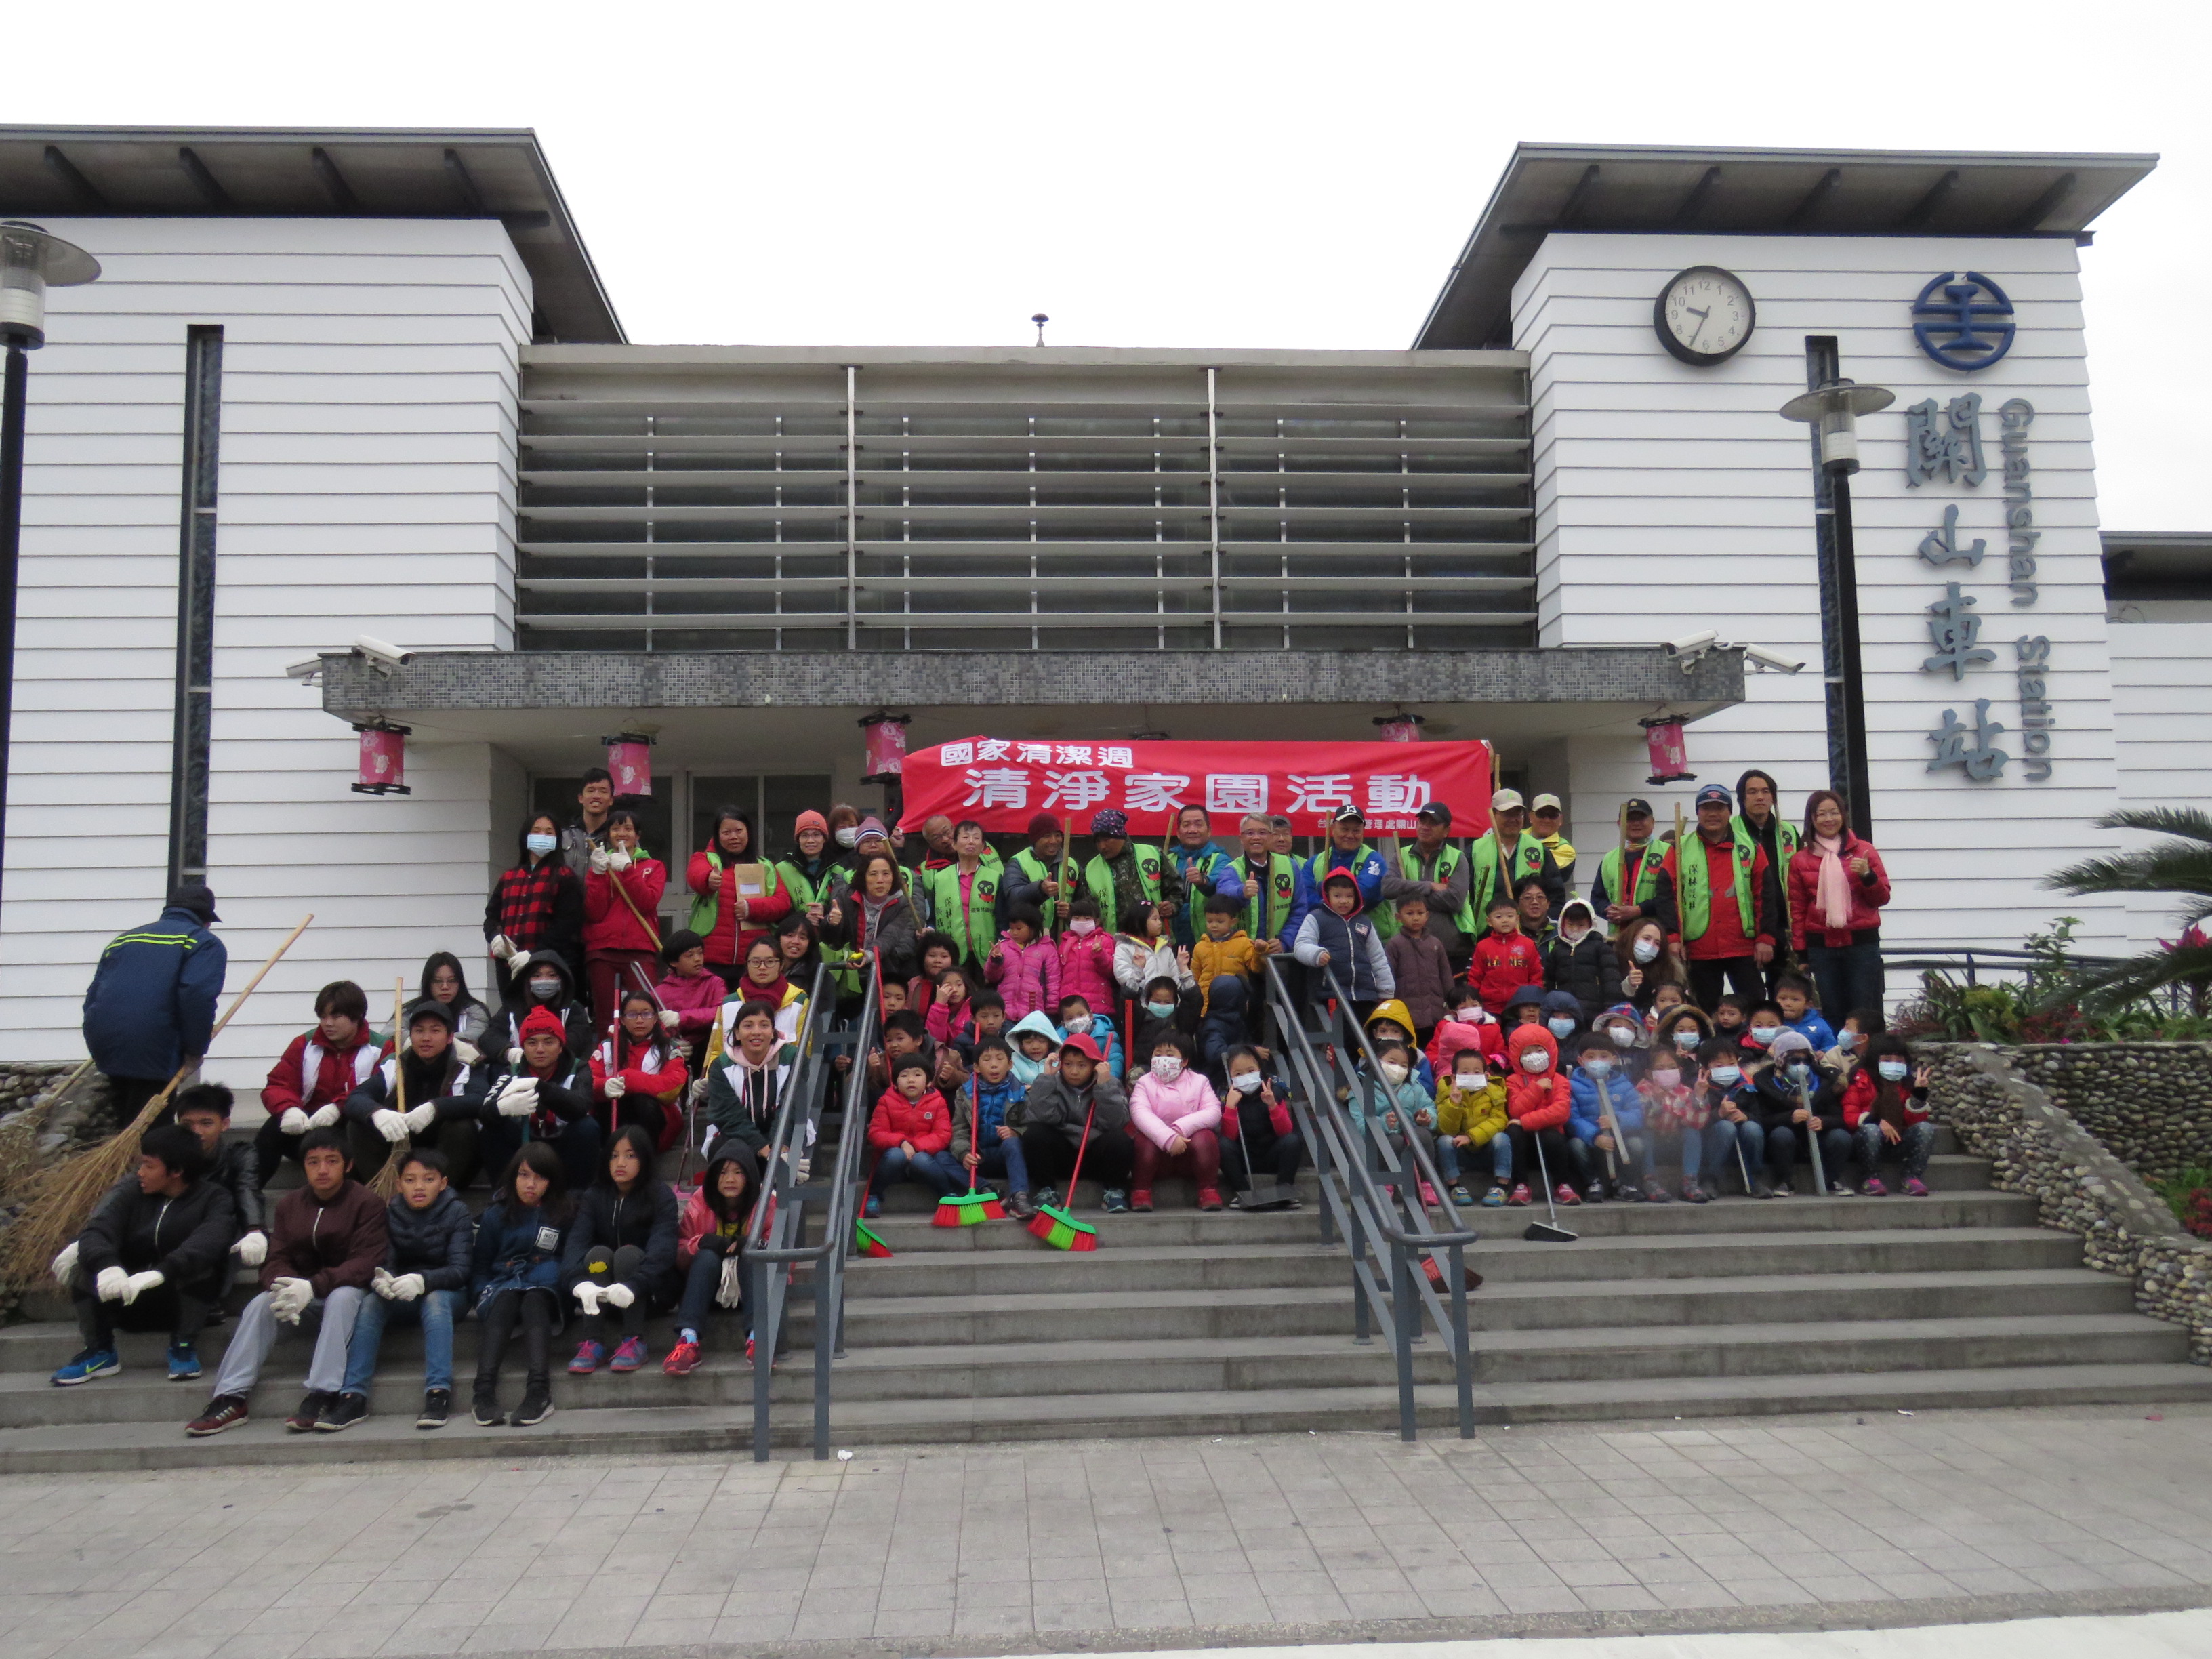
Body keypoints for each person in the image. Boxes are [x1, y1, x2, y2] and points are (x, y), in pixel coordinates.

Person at [184, 1128, 386, 1437]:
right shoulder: (290, 1205)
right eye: (313, 1162)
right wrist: (284, 1285)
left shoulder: (366, 1203)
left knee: (343, 1296)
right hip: (302, 1298)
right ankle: (231, 1396)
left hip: (349, 1298)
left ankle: (323, 1392)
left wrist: (313, 1286)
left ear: (348, 1165)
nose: (322, 1170)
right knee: (260, 1303)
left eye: (332, 1161)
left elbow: (365, 1262)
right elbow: (276, 1256)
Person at [51, 1124, 235, 1388]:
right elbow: (98, 1230)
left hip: (179, 1303)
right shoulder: (131, 1193)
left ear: (176, 1171)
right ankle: (100, 1351)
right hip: (127, 1297)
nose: (140, 1173)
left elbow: (209, 1241)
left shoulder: (215, 1198)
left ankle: (183, 1346)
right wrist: (108, 1267)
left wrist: (162, 1272)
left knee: (202, 1265)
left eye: (149, 1166)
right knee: (82, 1265)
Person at [321, 1147, 474, 1431]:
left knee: (435, 1301)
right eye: (410, 1180)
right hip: (403, 1293)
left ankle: (438, 1392)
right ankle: (353, 1395)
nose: (419, 1187)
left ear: (443, 1183)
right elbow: (385, 1261)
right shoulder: (390, 1212)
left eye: (428, 1179)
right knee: (371, 1303)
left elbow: (461, 1269)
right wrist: (383, 1279)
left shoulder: (458, 1212)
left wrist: (423, 1280)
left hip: (449, 1294)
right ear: (399, 1184)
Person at [81, 882, 228, 1119]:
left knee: (124, 1117)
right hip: (155, 1043)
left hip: (104, 1039)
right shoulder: (201, 942)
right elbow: (197, 997)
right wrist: (195, 1049)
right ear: (206, 919)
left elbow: (93, 996)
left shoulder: (124, 940)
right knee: (152, 1124)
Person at [564, 1124, 680, 1376]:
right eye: (614, 1155)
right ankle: (592, 1342)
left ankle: (634, 1340)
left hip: (648, 1293)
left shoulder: (661, 1196)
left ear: (644, 1159)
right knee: (597, 1255)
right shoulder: (594, 1196)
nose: (620, 1163)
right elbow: (576, 1243)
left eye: (630, 1156)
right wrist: (578, 1282)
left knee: (627, 1255)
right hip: (603, 1294)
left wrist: (634, 1285)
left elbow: (663, 1250)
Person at [469, 1139, 571, 1427]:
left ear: (551, 1181)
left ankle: (539, 1391)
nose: (530, 1184)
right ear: (513, 1177)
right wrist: (480, 1294)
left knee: (533, 1299)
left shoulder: (564, 1212)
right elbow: (480, 1266)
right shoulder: (495, 1215)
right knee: (507, 1299)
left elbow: (570, 1258)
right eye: (524, 1175)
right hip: (503, 1286)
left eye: (539, 1177)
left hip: (547, 1289)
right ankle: (483, 1392)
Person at [342, 998, 488, 1189]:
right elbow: (356, 1098)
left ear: (450, 1037)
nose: (426, 1038)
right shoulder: (396, 1067)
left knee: (462, 1127)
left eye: (435, 1031)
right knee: (357, 1126)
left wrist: (435, 1108)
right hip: (401, 1149)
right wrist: (378, 1114)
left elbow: (479, 1100)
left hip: (446, 1155)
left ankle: (439, 1195)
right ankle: (385, 1193)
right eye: (419, 1031)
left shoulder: (466, 1064)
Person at [1657, 782, 1776, 1011]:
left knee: (1755, 1008)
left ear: (1730, 812)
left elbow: (1765, 895)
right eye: (1706, 808)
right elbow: (1666, 896)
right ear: (1698, 812)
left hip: (1743, 946)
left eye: (1719, 808)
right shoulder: (1679, 849)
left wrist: (1766, 937)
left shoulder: (1750, 847)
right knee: (1705, 1011)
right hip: (1699, 948)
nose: (1713, 814)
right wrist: (1672, 937)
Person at [255, 980, 379, 1193]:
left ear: (357, 1016)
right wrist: (288, 1109)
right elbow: (278, 1084)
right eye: (323, 1016)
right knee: (272, 1129)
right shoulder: (305, 1044)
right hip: (308, 1124)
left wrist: (338, 1108)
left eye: (336, 1016)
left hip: (351, 1128)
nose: (327, 1023)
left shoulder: (380, 1048)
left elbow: (377, 1091)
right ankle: (247, 1194)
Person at [1789, 789, 1891, 1023]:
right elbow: (1798, 909)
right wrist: (1802, 953)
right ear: (1812, 819)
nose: (1829, 819)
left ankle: (1866, 1048)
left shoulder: (1864, 851)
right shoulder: (1800, 859)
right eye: (1821, 814)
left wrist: (1867, 875)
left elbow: (1882, 898)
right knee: (1833, 1011)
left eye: (1834, 813)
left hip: (1861, 946)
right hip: (1823, 948)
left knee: (1863, 1012)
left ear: (1843, 816)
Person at [481, 1003, 605, 1189]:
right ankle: (504, 1194)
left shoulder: (578, 1068)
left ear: (561, 1046)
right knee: (491, 1130)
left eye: (548, 1042)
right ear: (523, 1047)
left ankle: (578, 1195)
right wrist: (503, 1108)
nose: (540, 1049)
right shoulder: (512, 1071)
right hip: (525, 1143)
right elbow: (485, 1112)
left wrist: (540, 1088)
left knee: (587, 1127)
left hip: (563, 1146)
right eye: (532, 1043)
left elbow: (581, 1106)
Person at [1010, 1031, 1134, 1212]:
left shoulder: (1108, 1082)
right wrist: (1047, 1079)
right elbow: (1039, 1117)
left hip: (1095, 1155)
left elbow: (1115, 1123)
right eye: (1068, 1064)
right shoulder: (1051, 1082)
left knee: (1119, 1139)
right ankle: (1047, 1191)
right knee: (1035, 1133)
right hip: (1063, 1155)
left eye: (1081, 1065)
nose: (1074, 1071)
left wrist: (1104, 1087)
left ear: (1094, 1065)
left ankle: (1114, 1191)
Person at [666, 1151, 758, 1376]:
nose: (730, 1179)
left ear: (749, 1177)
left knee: (752, 1254)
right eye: (723, 1173)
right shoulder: (700, 1200)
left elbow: (784, 1256)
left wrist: (754, 1244)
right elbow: (679, 1253)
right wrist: (702, 1242)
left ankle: (758, 1338)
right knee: (707, 1256)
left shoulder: (765, 1201)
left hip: (750, 1289)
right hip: (707, 1290)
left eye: (738, 1172)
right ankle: (688, 1340)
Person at [688, 807, 794, 991]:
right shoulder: (705, 859)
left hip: (754, 960)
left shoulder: (765, 865)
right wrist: (708, 879)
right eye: (726, 832)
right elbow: (695, 876)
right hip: (711, 959)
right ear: (717, 835)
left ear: (748, 832)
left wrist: (752, 908)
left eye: (739, 831)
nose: (733, 837)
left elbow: (782, 902)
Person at [581, 808, 668, 1029]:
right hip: (602, 950)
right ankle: (607, 1052)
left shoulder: (654, 866)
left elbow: (646, 902)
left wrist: (628, 869)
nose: (622, 833)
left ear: (637, 835)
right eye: (616, 828)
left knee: (645, 1013)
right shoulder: (600, 866)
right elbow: (594, 912)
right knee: (606, 1017)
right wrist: (598, 874)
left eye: (628, 828)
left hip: (641, 949)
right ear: (608, 834)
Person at [486, 813, 586, 993]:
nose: (542, 836)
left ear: (557, 839)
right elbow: (491, 917)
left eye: (549, 832)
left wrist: (533, 954)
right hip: (508, 965)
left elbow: (565, 926)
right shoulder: (508, 877)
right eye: (536, 831)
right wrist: (495, 937)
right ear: (526, 836)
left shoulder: (565, 877)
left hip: (548, 968)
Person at [1126, 1031, 1224, 1211]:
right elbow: (1140, 1113)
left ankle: (1208, 1191)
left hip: (1189, 1153)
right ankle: (1141, 1191)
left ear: (1184, 1061)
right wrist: (1169, 1139)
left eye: (1170, 1055)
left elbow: (1213, 1112)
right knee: (1143, 1140)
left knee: (1206, 1137)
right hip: (1157, 1156)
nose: (1162, 1059)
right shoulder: (1144, 1083)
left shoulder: (1200, 1082)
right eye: (1158, 1054)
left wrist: (1180, 1129)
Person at [1750, 1028, 1850, 1197]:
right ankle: (1785, 1181)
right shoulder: (1766, 1082)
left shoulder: (1823, 1081)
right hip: (1786, 1139)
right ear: (1782, 1060)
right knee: (1781, 1134)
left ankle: (1832, 1179)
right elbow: (1762, 1119)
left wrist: (1823, 1121)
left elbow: (1840, 1117)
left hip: (1818, 1136)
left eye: (1806, 1060)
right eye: (1795, 1060)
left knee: (1841, 1137)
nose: (1801, 1065)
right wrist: (1789, 1118)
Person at [702, 999, 796, 1179]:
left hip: (784, 1133)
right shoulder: (721, 1066)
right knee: (723, 1151)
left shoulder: (793, 1059)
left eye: (764, 1025)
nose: (756, 1032)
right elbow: (727, 1114)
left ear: (773, 1032)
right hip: (738, 1135)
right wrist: (762, 1148)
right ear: (737, 1033)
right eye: (748, 1025)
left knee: (787, 1158)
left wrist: (778, 1145)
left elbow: (791, 1106)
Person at [1380, 802, 1475, 968]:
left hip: (1452, 949)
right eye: (1422, 822)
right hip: (1409, 946)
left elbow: (1454, 900)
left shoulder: (1457, 858)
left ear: (1446, 831)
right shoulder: (1402, 855)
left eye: (1433, 823)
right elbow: (1388, 888)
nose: (1425, 827)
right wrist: (1428, 886)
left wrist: (1409, 900)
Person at [592, 989, 690, 1149]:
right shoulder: (608, 1047)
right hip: (616, 1113)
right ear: (622, 1020)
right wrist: (604, 1086)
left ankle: (643, 1155)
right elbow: (588, 1082)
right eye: (632, 1015)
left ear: (656, 1018)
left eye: (646, 1014)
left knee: (642, 1103)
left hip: (656, 1118)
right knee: (605, 1106)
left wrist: (628, 1079)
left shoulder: (669, 1049)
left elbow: (673, 1087)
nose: (639, 1020)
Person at [1290, 867, 1393, 1019]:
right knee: (1338, 1032)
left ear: (1356, 896)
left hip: (1365, 995)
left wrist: (1386, 990)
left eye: (1349, 896)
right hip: (1331, 993)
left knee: (1362, 1032)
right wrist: (1316, 954)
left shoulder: (1365, 922)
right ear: (1327, 896)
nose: (1344, 901)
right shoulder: (1316, 918)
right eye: (1337, 896)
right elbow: (1301, 945)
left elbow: (1377, 958)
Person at [1734, 770, 1803, 996]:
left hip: (1784, 925)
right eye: (1752, 792)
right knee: (1751, 996)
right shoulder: (1731, 832)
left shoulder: (1788, 832)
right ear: (1742, 799)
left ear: (1773, 797)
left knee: (1784, 994)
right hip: (1744, 926)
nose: (1760, 797)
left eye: (1765, 791)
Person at [951, 1037, 1033, 1216]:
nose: (994, 1065)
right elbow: (959, 1130)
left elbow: (1031, 1127)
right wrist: (965, 1153)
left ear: (1010, 1064)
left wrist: (1015, 1132)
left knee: (1012, 1143)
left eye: (1000, 1059)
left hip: (1006, 1157)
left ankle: (1019, 1197)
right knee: (942, 1158)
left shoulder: (1021, 1093)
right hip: (977, 1157)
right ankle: (988, 1190)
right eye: (987, 1060)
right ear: (976, 1067)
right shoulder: (965, 1094)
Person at [1844, 1036, 1934, 1197]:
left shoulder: (1907, 1083)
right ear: (1875, 1059)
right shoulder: (1860, 1080)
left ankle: (1912, 1177)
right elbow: (1850, 1117)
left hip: (1898, 1139)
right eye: (1887, 1059)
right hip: (1866, 1141)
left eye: (1899, 1060)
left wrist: (1919, 1094)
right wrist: (1877, 1121)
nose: (1894, 1064)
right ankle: (1869, 1178)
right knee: (1871, 1129)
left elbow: (1914, 1121)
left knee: (1926, 1128)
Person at [1565, 1032, 1651, 1202]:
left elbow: (1637, 1114)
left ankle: (1626, 1184)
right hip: (1591, 1141)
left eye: (1604, 1056)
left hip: (1619, 1140)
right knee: (1575, 1145)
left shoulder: (1624, 1084)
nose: (1598, 1061)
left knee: (1636, 1144)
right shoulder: (1572, 1086)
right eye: (1591, 1057)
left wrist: (1617, 1120)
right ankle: (1592, 1183)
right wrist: (1595, 1136)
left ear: (1613, 1060)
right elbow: (1572, 1119)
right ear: (1581, 1061)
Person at [821, 850, 923, 993]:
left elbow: (890, 937)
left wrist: (869, 955)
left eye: (886, 874)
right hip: (846, 971)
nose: (880, 880)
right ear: (864, 877)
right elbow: (830, 940)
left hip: (883, 970)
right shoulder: (846, 896)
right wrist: (832, 923)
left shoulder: (902, 904)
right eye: (873, 874)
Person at [867, 1054, 962, 1206]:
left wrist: (916, 1147)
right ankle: (874, 1195)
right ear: (895, 1084)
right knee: (895, 1155)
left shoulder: (938, 1102)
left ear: (928, 1082)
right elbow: (876, 1133)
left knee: (921, 1160)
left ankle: (947, 1193)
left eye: (917, 1075)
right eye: (904, 1076)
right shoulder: (886, 1101)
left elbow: (943, 1134)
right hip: (895, 1163)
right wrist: (902, 1143)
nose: (911, 1080)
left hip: (923, 1161)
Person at [1218, 1044, 1304, 1208]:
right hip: (1243, 1158)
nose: (1246, 1077)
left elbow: (1285, 1131)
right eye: (1238, 1074)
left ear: (1259, 1069)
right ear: (1230, 1076)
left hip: (1271, 1155)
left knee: (1293, 1141)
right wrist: (1230, 1108)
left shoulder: (1274, 1091)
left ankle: (1284, 1192)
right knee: (1223, 1145)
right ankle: (1242, 1193)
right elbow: (1228, 1136)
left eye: (1251, 1071)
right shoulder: (1226, 1095)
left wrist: (1272, 1106)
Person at [1500, 1023, 1573, 1209]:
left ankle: (1562, 1185)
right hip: (1525, 1143)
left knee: (1553, 1136)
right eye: (1527, 1052)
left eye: (1539, 1050)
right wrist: (1537, 1088)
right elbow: (1515, 1110)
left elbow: (1561, 1111)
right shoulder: (1513, 1080)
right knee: (1513, 1131)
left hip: (1550, 1140)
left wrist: (1526, 1121)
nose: (1534, 1056)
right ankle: (1521, 1185)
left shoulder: (1559, 1080)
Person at [483, 951, 595, 1069]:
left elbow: (577, 1042)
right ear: (527, 979)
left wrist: (539, 1056)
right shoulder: (513, 1007)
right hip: (517, 1070)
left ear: (562, 979)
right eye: (537, 976)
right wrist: (509, 1053)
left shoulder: (572, 1008)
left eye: (552, 975)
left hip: (562, 1071)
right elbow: (489, 1037)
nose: (544, 980)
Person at [1639, 1044, 1720, 1204]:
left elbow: (1696, 1123)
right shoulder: (1644, 1089)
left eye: (1672, 1068)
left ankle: (1690, 1182)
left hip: (1676, 1144)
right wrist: (1656, 1102)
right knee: (1644, 1133)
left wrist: (1698, 1097)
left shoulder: (1686, 1092)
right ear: (1650, 1073)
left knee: (1692, 1132)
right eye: (1660, 1068)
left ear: (1680, 1071)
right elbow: (1646, 1122)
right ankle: (1649, 1181)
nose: (1667, 1072)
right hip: (1654, 1143)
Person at [1078, 808, 1179, 935]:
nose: (1102, 846)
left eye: (1106, 840)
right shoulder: (1091, 869)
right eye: (1097, 841)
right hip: (1112, 941)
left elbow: (1176, 891)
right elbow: (1087, 909)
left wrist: (1171, 906)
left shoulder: (1152, 855)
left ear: (1120, 836)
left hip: (1155, 939)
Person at [919, 819, 1004, 969]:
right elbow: (933, 917)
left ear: (983, 846)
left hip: (987, 953)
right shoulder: (939, 878)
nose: (971, 842)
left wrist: (1001, 945)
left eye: (976, 838)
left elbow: (1002, 919)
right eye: (965, 837)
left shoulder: (995, 877)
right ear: (955, 844)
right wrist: (929, 930)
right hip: (950, 954)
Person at [1434, 1042, 1510, 1207]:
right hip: (1461, 1152)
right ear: (1454, 1077)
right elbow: (1445, 1129)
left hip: (1487, 1150)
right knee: (1444, 1141)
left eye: (1477, 1072)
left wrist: (1471, 1137)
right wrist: (1454, 1104)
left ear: (1486, 1075)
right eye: (1465, 1072)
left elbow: (1499, 1120)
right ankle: (1454, 1187)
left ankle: (1501, 1187)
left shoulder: (1495, 1091)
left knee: (1502, 1138)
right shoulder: (1446, 1092)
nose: (1472, 1075)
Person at [1293, 808, 1387, 938]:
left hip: (1367, 938)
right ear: (1333, 828)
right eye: (1344, 829)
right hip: (1325, 937)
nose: (1350, 835)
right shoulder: (1315, 862)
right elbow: (1304, 897)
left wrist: (1322, 888)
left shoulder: (1374, 860)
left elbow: (1364, 894)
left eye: (1356, 830)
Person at [1467, 791, 1549, 926]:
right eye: (1507, 814)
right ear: (1493, 814)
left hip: (1528, 931)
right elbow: (1465, 895)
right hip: (1485, 930)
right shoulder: (1475, 849)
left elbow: (1555, 893)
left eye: (1517, 814)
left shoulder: (1538, 849)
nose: (1513, 820)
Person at [1226, 813, 1300, 962]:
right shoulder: (1233, 869)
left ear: (1271, 837)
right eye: (1250, 833)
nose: (1256, 837)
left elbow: (1299, 910)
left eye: (1262, 832)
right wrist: (1242, 892)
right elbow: (1225, 892)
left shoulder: (1290, 865)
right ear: (1241, 838)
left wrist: (1285, 941)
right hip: (1242, 955)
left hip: (1279, 953)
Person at [1381, 894, 1454, 1046]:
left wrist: (1452, 1002)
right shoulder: (1395, 945)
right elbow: (1388, 978)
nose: (1416, 918)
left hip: (1435, 1012)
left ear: (1427, 916)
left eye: (1420, 913)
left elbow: (1446, 976)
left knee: (1434, 1049)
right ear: (1398, 917)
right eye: (1410, 913)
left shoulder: (1435, 944)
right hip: (1406, 1013)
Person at [1698, 1036, 1767, 1197]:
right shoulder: (1701, 1088)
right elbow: (1696, 1123)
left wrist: (1745, 1116)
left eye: (1731, 1064)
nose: (1727, 1068)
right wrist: (1719, 1114)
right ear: (1705, 1068)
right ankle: (1710, 1179)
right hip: (1713, 1144)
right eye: (1719, 1065)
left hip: (1743, 1142)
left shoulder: (1747, 1086)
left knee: (1753, 1128)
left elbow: (1760, 1117)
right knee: (1726, 1127)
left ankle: (1755, 1180)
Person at [1164, 805, 1236, 948]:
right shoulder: (1166, 859)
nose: (1192, 830)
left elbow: (1220, 885)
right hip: (1169, 942)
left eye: (1198, 824)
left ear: (1209, 831)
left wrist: (1202, 881)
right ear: (1178, 832)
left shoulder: (1221, 859)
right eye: (1187, 825)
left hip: (1208, 942)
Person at [1543, 897, 1623, 1024]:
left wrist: (1612, 1004)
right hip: (1564, 1013)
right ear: (1562, 924)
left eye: (1581, 925)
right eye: (1570, 924)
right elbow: (1549, 980)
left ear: (1591, 924)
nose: (1575, 929)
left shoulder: (1601, 947)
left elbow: (1611, 977)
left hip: (1594, 1010)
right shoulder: (1557, 950)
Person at [1590, 798, 1665, 930]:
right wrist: (1610, 911)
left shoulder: (1667, 853)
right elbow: (1597, 899)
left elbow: (1672, 897)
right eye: (1630, 819)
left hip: (1655, 935)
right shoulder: (1609, 859)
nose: (1636, 823)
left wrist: (1639, 910)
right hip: (1619, 937)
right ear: (1619, 824)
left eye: (1641, 818)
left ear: (1653, 822)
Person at [653, 928, 725, 1057]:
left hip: (708, 1047)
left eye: (700, 953)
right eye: (690, 955)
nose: (698, 959)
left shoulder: (715, 983)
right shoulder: (659, 992)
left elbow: (721, 1013)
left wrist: (681, 1018)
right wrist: (671, 1043)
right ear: (673, 962)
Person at [985, 902, 1060, 1023]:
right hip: (1006, 1011)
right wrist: (996, 962)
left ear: (1033, 928)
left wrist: (1052, 1006)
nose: (1014, 932)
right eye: (1012, 928)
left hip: (1034, 1012)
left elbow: (1053, 979)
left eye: (1019, 929)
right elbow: (992, 977)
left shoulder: (1047, 948)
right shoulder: (1003, 947)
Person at [1469, 895, 1543, 1016]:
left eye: (1510, 916)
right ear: (1489, 921)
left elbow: (1536, 975)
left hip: (1520, 1008)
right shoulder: (1483, 946)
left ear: (1517, 919)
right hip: (1489, 1008)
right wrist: (1475, 1001)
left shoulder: (1528, 945)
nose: (1505, 920)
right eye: (1499, 917)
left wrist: (1531, 1001)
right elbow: (1475, 978)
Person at [1001, 812, 1071, 935]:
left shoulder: (1071, 864)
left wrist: (1072, 909)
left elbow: (1086, 901)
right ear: (1035, 839)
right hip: (1029, 940)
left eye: (1057, 835)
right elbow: (1013, 898)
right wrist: (1040, 889)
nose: (1053, 841)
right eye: (1047, 836)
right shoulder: (1018, 863)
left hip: (1065, 940)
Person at [1191, 894, 1262, 1015]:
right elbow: (1195, 977)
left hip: (1235, 1005)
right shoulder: (1200, 947)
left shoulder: (1243, 943)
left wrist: (1259, 951)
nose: (1214, 925)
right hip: (1205, 1006)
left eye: (1220, 921)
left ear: (1233, 922)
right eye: (1209, 921)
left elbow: (1255, 967)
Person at [419, 951, 492, 1057]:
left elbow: (475, 1036)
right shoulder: (410, 1012)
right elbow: (398, 1034)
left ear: (460, 983)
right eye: (438, 981)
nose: (445, 987)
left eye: (451, 981)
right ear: (428, 983)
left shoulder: (475, 1011)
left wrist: (432, 1041)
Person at [1057, 897, 1118, 1016]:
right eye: (1077, 918)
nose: (1081, 921)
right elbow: (1059, 973)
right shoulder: (1065, 942)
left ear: (1097, 922)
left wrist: (1100, 955)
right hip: (1070, 1006)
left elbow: (1110, 971)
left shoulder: (1104, 940)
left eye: (1087, 919)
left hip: (1098, 1006)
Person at [1427, 982, 1502, 1080]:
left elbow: (1500, 1051)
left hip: (1485, 1072)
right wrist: (1440, 1065)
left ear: (1481, 1006)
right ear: (1453, 1012)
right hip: (1453, 1073)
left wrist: (1493, 1064)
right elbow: (1433, 1051)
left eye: (1474, 1005)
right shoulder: (1445, 1027)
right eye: (1463, 1008)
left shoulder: (1493, 1027)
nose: (1470, 1009)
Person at [1616, 916, 1687, 1013]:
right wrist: (1629, 985)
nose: (1650, 945)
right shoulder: (1612, 959)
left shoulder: (1668, 970)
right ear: (1633, 937)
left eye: (1657, 943)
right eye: (1647, 938)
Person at [775, 810, 839, 917]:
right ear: (798, 840)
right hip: (795, 927)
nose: (810, 840)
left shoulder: (838, 870)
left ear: (824, 839)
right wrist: (803, 919)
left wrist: (825, 911)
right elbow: (778, 908)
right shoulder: (781, 870)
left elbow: (843, 907)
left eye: (816, 835)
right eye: (805, 835)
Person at [560, 767, 617, 878]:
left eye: (603, 791)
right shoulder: (563, 836)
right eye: (591, 790)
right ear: (580, 798)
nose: (596, 796)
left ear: (611, 800)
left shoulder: (620, 837)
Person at [1054, 993, 1124, 1080]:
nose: (1077, 1021)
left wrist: (1108, 1079)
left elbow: (1115, 1060)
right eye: (1070, 1018)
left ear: (1090, 1015)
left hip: (1099, 1081)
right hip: (1070, 1082)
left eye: (1080, 1015)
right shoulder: (1058, 1040)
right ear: (1064, 1024)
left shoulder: (1107, 1036)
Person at [1772, 971, 1836, 1052]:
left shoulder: (1819, 1024)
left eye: (1795, 1000)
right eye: (1782, 998)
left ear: (1808, 1004)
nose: (1788, 1004)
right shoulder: (1772, 1023)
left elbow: (1832, 1046)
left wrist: (1824, 1052)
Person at [1530, 794, 1576, 894]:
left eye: (1552, 815)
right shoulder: (1518, 836)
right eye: (1541, 814)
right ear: (1531, 817)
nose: (1547, 820)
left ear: (1561, 820)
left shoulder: (1565, 850)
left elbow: (1539, 871)